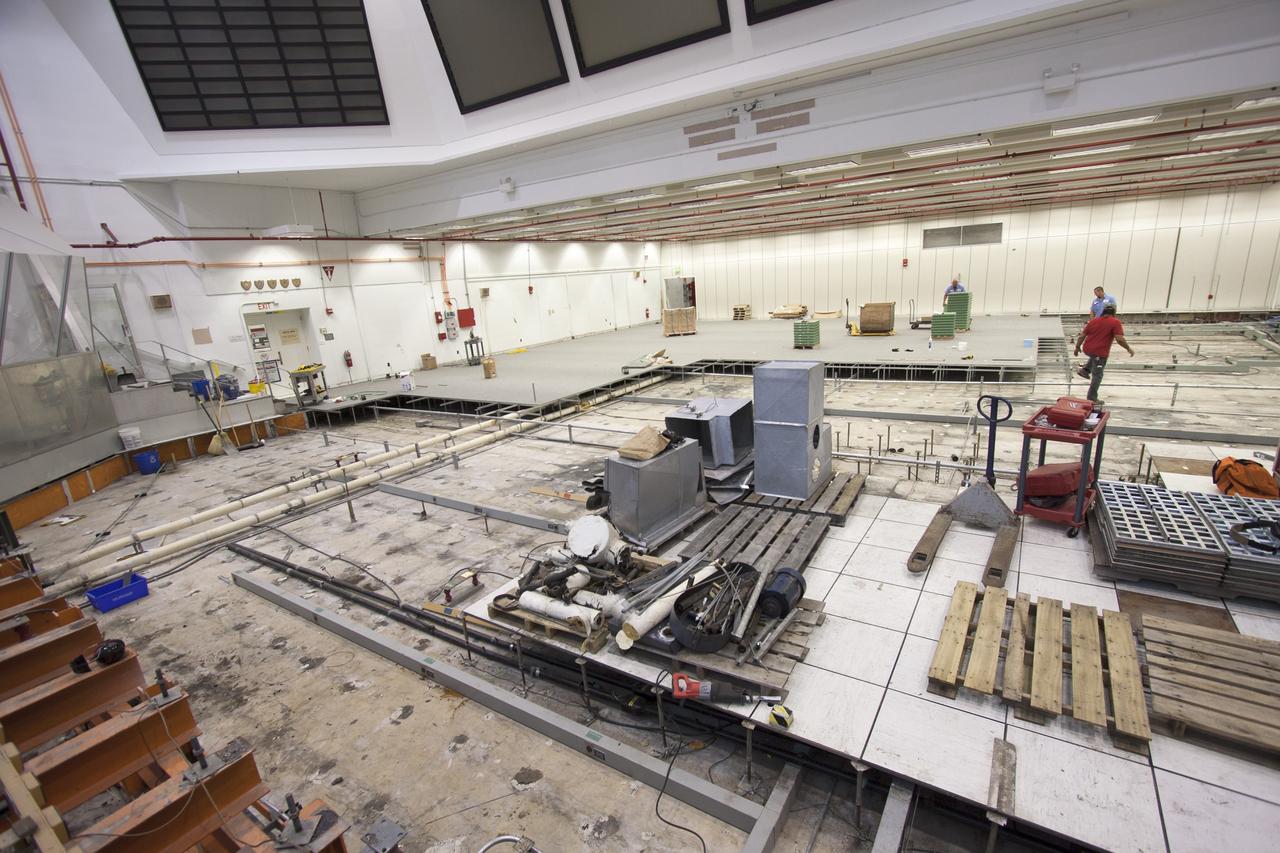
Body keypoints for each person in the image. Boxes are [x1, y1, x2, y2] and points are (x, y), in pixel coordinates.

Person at [1074, 304, 1134, 404]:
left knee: (1094, 357)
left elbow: (1082, 336)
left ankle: (1085, 370)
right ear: (1114, 313)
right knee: (1098, 375)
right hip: (1100, 352)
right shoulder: (1115, 322)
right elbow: (1119, 339)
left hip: (1088, 349)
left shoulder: (1093, 321)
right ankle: (1092, 398)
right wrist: (1128, 348)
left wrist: (1077, 347)